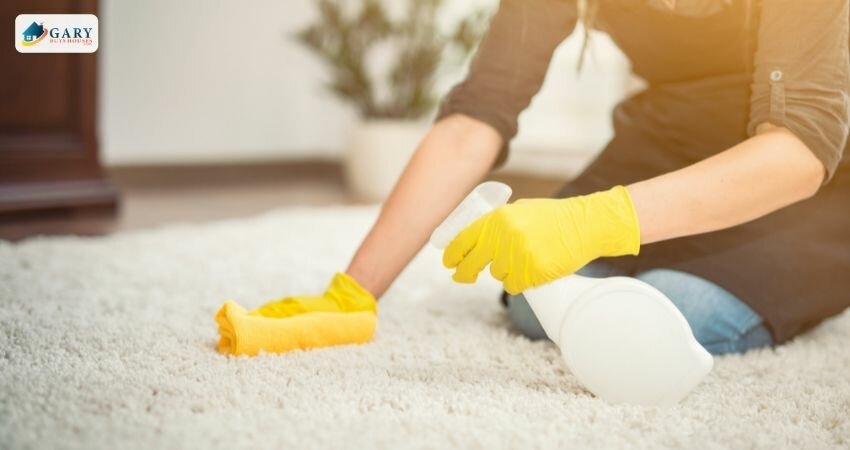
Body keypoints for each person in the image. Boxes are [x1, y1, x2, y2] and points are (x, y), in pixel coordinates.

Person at [239, 0, 850, 356]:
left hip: (807, 179)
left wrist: (595, 220)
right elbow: (477, 114)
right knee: (537, 305)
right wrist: (354, 292)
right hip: (665, 140)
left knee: (665, 313)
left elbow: (796, 151)